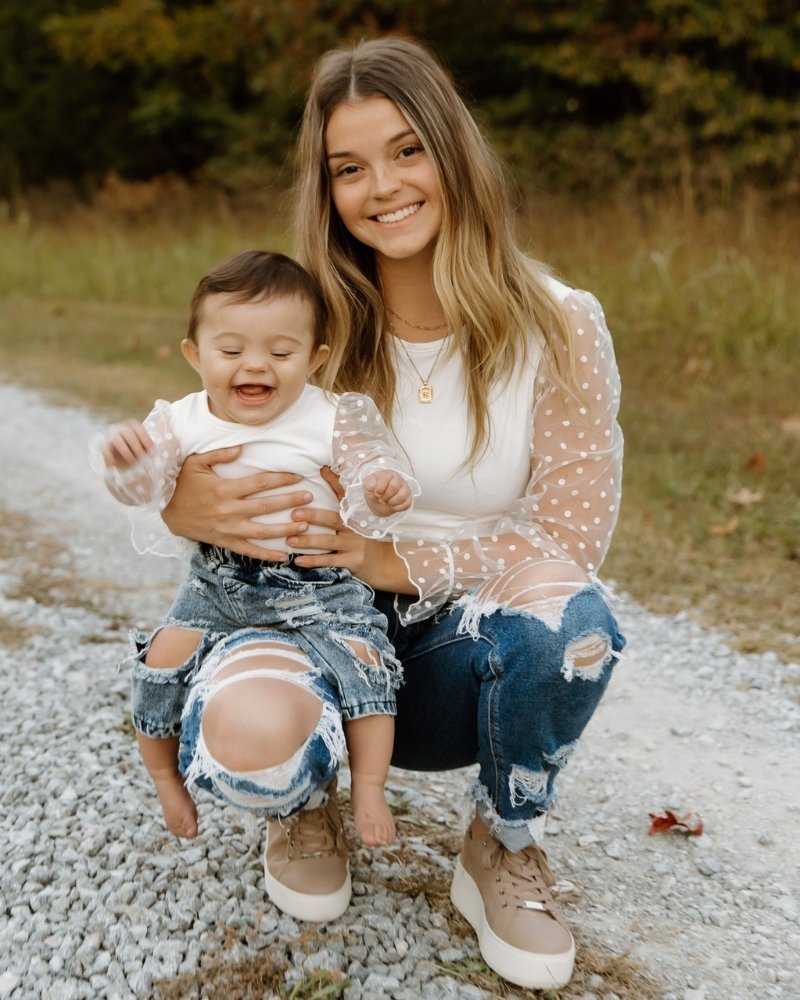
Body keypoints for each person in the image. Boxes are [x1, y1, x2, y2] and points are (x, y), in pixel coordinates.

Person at [159, 38, 626, 990]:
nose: (383, 186)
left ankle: (503, 842)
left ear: (454, 154)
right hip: (312, 635)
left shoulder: (558, 320)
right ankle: (305, 797)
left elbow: (568, 542)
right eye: (349, 167)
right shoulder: (306, 323)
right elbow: (187, 445)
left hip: (460, 658)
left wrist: (384, 559)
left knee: (571, 621)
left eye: (407, 151)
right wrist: (181, 504)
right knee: (253, 731)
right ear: (326, 188)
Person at [91, 249, 420, 873]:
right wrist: (126, 463)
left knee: (367, 665)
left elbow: (371, 471)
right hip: (219, 583)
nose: (255, 365)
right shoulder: (181, 420)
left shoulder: (331, 414)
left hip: (322, 586)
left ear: (315, 358)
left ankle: (368, 787)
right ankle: (165, 776)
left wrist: (381, 484)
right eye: (232, 349)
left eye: (280, 351)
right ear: (195, 354)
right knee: (162, 659)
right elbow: (146, 492)